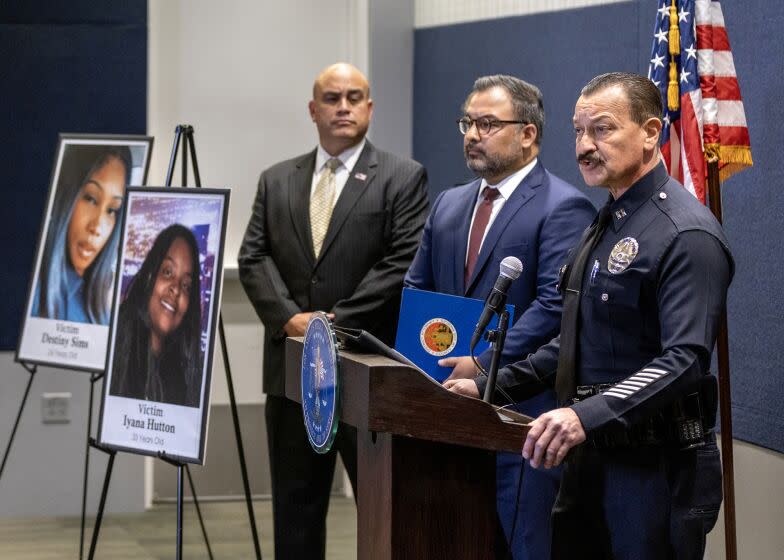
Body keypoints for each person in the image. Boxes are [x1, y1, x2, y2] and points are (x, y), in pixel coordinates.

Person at [446, 72, 733, 559]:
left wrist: (584, 416)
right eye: (579, 131)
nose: (584, 146)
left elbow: (683, 360)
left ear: (650, 132)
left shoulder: (686, 233)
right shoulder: (607, 222)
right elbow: (575, 341)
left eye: (602, 130)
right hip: (591, 460)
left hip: (652, 470)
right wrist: (490, 384)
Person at [238, 62, 429, 559]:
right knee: (295, 511)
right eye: (331, 97)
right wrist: (288, 318)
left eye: (354, 97)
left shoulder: (402, 178)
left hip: (365, 373)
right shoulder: (276, 180)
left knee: (382, 510)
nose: (342, 106)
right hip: (290, 374)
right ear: (312, 109)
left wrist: (333, 323)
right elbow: (252, 257)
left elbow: (400, 263)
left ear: (369, 107)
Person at [405, 75, 595, 559]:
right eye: (467, 122)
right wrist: (420, 355)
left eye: (487, 124)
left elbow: (554, 309)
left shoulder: (563, 205)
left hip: (521, 421)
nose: (472, 134)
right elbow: (417, 288)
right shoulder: (450, 203)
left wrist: (485, 362)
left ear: (528, 133)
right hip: (446, 416)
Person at [32, 146, 132, 324]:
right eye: (91, 199)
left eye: (111, 210)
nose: (97, 227)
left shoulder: (104, 308)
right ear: (67, 195)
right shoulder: (33, 293)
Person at [110, 224, 203, 408]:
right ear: (149, 274)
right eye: (167, 272)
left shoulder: (186, 372)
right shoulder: (116, 345)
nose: (176, 289)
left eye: (186, 285)